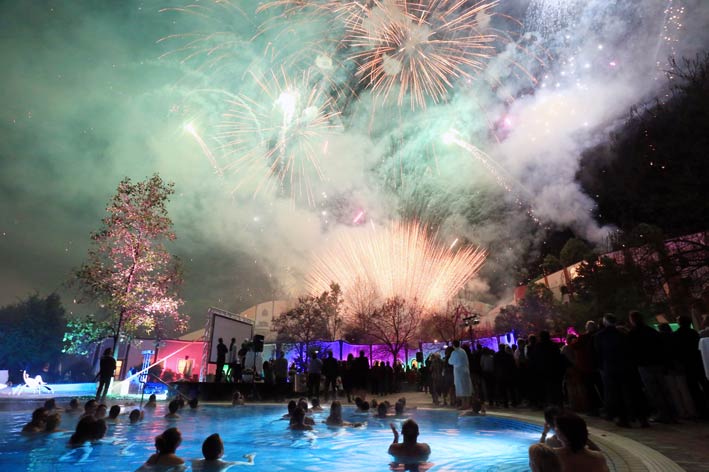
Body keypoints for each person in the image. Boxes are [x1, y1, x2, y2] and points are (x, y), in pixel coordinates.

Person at [628, 311, 675, 423]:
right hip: (657, 363)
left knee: (654, 391)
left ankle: (662, 413)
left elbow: (631, 351)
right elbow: (661, 347)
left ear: (632, 320)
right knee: (664, 389)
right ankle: (672, 412)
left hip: (644, 365)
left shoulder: (633, 333)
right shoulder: (652, 331)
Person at [448, 340, 473, 409]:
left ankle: (464, 405)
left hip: (459, 372)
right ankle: (468, 404)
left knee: (461, 388)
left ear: (453, 345)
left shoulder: (454, 352)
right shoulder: (463, 351)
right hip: (465, 371)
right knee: (466, 387)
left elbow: (450, 361)